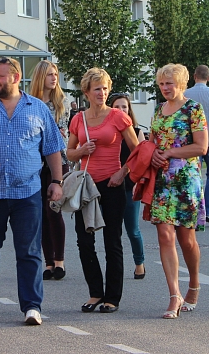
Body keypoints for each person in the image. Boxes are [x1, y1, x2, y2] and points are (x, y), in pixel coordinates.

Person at [0, 57, 65, 326]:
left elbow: (52, 147)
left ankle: (31, 306)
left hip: (27, 191)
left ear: (15, 78)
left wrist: (57, 181)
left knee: (28, 251)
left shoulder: (38, 108)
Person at [67, 68, 138, 314]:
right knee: (84, 240)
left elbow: (137, 151)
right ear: (86, 92)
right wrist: (81, 151)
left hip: (112, 184)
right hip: (87, 186)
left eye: (105, 88)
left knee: (112, 241)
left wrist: (122, 173)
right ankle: (95, 291)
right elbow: (69, 152)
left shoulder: (118, 116)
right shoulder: (78, 119)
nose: (102, 93)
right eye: (97, 88)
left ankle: (112, 297)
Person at [149, 64, 208, 319]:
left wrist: (171, 152)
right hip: (161, 180)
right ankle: (174, 295)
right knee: (164, 235)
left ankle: (194, 282)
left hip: (186, 180)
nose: (165, 88)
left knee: (187, 240)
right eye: (162, 84)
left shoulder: (193, 109)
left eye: (169, 84)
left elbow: (201, 147)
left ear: (181, 84)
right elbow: (152, 142)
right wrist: (152, 155)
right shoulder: (158, 110)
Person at [28, 60, 69, 281]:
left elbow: (62, 134)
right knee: (40, 213)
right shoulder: (29, 103)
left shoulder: (60, 103)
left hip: (57, 161)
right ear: (40, 78)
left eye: (56, 74)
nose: (54, 79)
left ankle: (60, 260)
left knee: (53, 209)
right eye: (50, 75)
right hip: (35, 162)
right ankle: (49, 261)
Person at [109, 92, 146, 280]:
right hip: (108, 187)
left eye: (124, 107)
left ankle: (139, 262)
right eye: (117, 107)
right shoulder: (107, 132)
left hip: (129, 186)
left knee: (132, 229)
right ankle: (116, 266)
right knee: (112, 231)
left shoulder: (137, 132)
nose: (121, 110)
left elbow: (141, 160)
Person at [184, 65, 209, 226]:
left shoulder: (186, 93)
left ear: (194, 76)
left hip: (193, 140)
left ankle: (193, 210)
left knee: (194, 175)